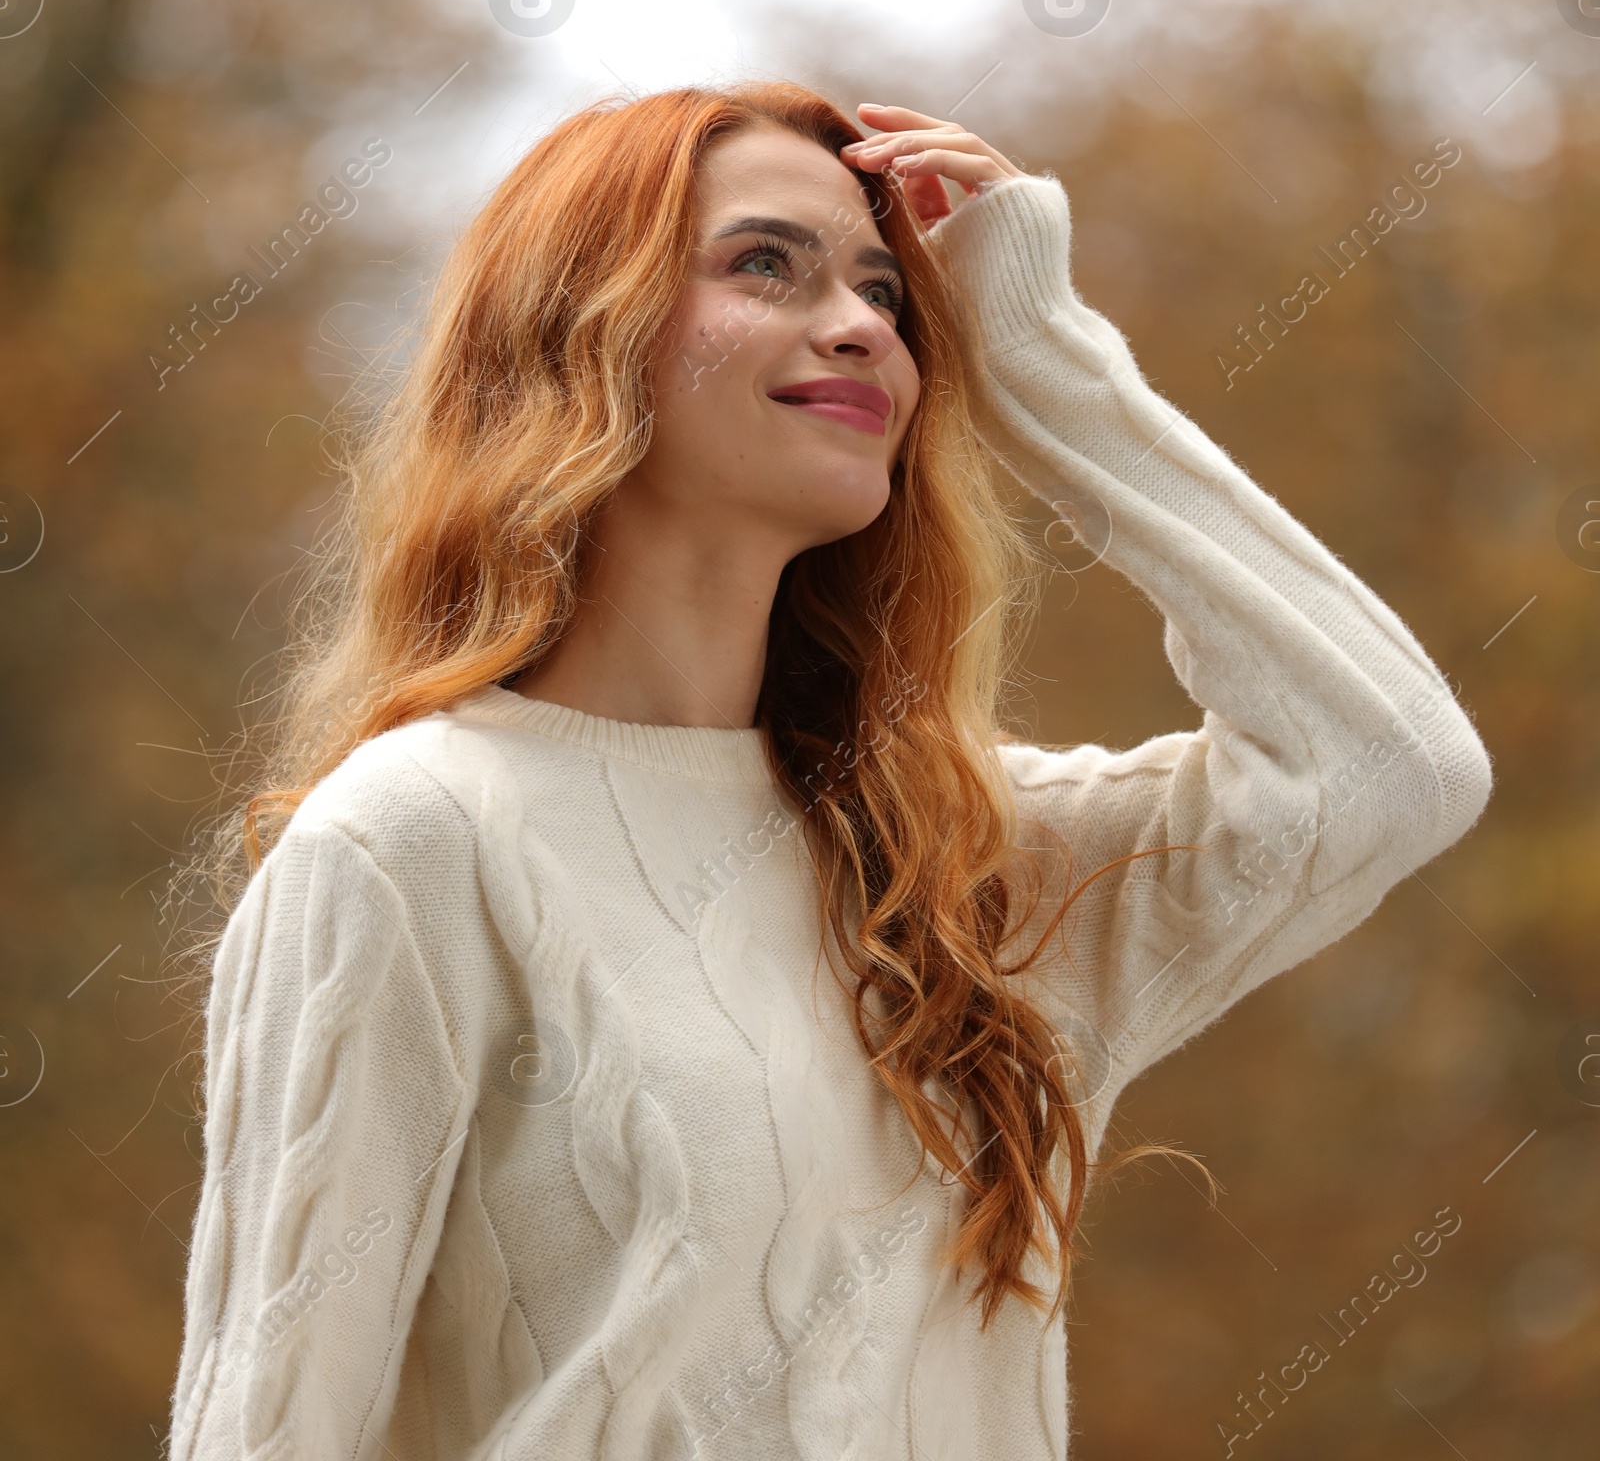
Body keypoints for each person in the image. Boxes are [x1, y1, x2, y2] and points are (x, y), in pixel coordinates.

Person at [169, 84, 1492, 1461]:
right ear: (576, 332)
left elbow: (1390, 768)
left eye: (888, 292)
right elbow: (272, 1427)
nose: (864, 323)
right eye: (764, 265)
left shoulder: (958, 851)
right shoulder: (412, 841)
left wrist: (1044, 357)